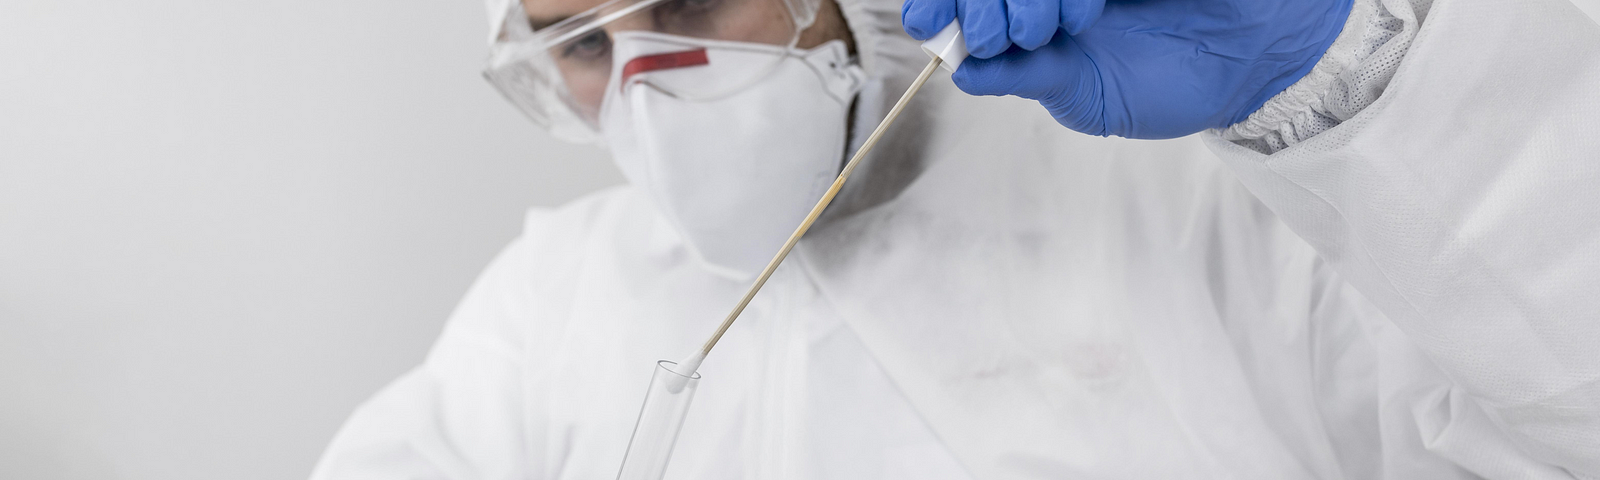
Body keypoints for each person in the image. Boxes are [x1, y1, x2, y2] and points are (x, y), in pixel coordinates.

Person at [311, 0, 1600, 476]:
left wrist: (1341, 76)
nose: (645, 79)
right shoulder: (553, 304)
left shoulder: (1200, 204)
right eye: (584, 46)